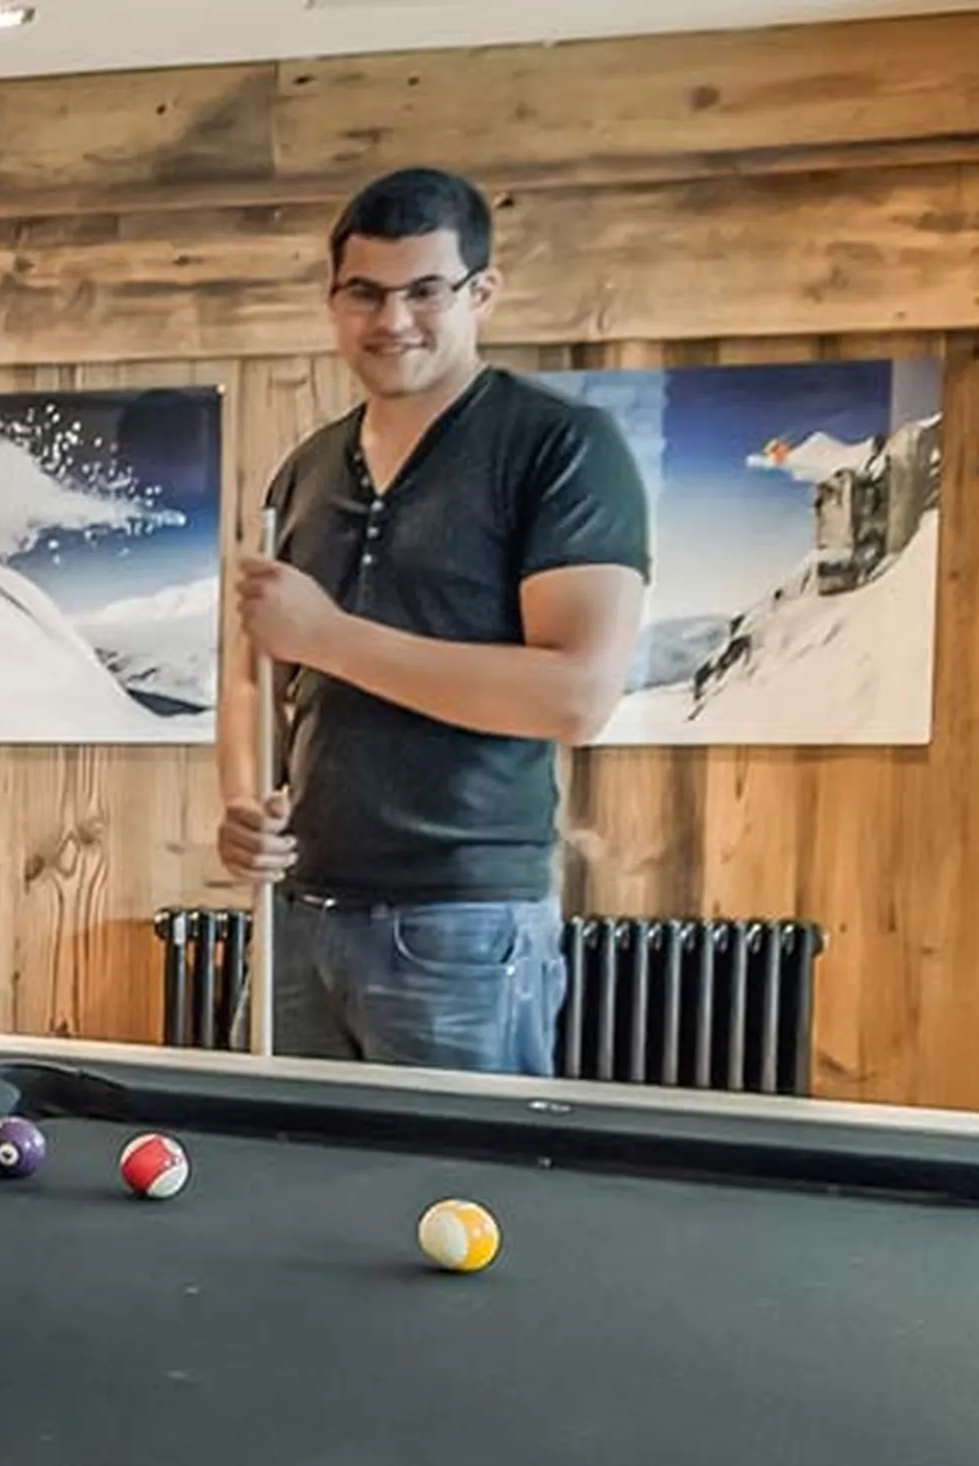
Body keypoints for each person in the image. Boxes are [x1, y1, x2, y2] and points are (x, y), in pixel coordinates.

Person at [225, 167, 653, 1076]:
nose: (393, 321)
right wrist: (240, 801)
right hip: (298, 915)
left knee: (464, 1205)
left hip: (462, 927)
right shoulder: (306, 470)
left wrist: (329, 635)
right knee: (270, 1197)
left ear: (481, 293)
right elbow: (252, 671)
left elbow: (576, 696)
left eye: (425, 290)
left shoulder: (560, 448)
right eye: (365, 293)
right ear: (332, 299)